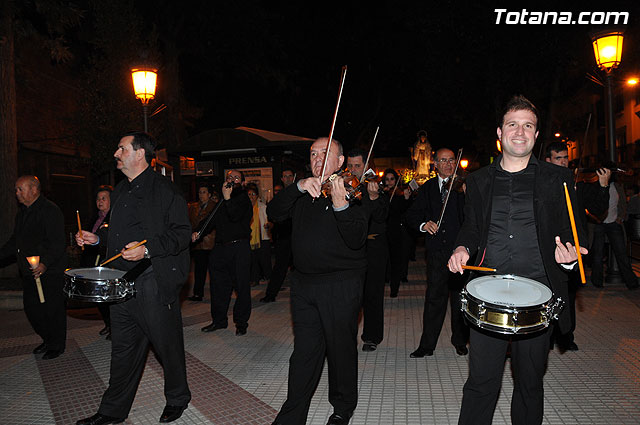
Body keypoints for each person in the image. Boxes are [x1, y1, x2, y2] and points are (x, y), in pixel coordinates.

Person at [448, 95, 587, 425]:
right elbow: (471, 228)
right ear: (500, 132)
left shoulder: (558, 179)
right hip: (487, 295)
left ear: (536, 135)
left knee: (529, 383)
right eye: (513, 124)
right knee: (481, 383)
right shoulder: (479, 181)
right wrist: (461, 249)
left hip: (538, 297)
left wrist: (569, 258)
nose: (520, 132)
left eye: (528, 126)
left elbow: (577, 234)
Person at [75, 131, 191, 424]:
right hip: (120, 283)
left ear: (140, 154)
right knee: (123, 351)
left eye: (122, 148)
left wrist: (147, 249)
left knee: (167, 346)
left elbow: (181, 235)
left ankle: (178, 398)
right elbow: (116, 234)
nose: (116, 153)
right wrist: (95, 239)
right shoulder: (121, 191)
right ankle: (112, 410)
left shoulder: (166, 190)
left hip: (153, 281)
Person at [268, 137, 368, 425]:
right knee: (304, 353)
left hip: (341, 284)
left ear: (340, 162)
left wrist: (341, 207)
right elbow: (274, 213)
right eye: (313, 154)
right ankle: (292, 414)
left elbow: (357, 238)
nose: (318, 158)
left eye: (326, 154)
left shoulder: (352, 189)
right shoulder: (302, 190)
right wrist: (297, 187)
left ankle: (342, 407)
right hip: (303, 286)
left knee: (340, 350)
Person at [544, 141, 611, 351]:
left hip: (571, 248)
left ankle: (565, 335)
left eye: (566, 158)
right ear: (548, 160)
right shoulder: (541, 183)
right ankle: (544, 336)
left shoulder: (578, 185)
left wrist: (603, 186)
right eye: (558, 158)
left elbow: (599, 209)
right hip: (547, 245)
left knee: (568, 292)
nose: (563, 162)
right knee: (545, 292)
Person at [406, 148, 469, 358]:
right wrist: (425, 225)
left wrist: (468, 194)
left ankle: (460, 340)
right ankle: (427, 344)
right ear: (435, 164)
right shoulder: (428, 188)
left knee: (460, 299)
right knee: (434, 298)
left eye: (452, 160)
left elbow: (472, 217)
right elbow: (412, 216)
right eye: (444, 160)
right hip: (436, 253)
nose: (449, 164)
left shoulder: (461, 187)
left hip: (458, 252)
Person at [0, 175, 67, 360]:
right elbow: (16, 242)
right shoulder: (22, 213)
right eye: (16, 189)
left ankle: (57, 345)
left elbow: (57, 242)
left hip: (49, 272)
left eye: (20, 189)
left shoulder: (50, 210)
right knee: (33, 310)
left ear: (34, 190)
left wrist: (45, 263)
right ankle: (47, 339)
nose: (17, 193)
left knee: (52, 310)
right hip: (29, 272)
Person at [346, 148, 389, 352]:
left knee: (372, 295)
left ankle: (372, 336)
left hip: (373, 249)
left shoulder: (375, 187)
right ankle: (346, 336)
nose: (353, 170)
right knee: (350, 296)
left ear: (366, 167)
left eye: (358, 166)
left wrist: (372, 198)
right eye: (350, 166)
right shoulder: (345, 187)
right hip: (351, 249)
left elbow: (381, 217)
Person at [200, 169, 253, 335]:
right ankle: (219, 321)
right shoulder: (222, 201)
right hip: (220, 249)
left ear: (242, 183)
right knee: (218, 287)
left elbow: (235, 217)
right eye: (229, 177)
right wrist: (198, 231)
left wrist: (228, 198)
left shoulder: (244, 199)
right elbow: (210, 220)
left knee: (241, 287)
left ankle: (241, 323)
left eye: (236, 178)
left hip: (239, 248)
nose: (232, 180)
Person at [590, 162, 639, 290]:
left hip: (613, 223)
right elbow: (591, 205)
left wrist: (620, 217)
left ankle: (631, 282)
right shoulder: (596, 186)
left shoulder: (617, 186)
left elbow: (622, 204)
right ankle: (597, 281)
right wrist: (595, 219)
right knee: (598, 254)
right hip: (600, 224)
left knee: (621, 253)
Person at [80, 185, 114, 339]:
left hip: (107, 261)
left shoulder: (114, 216)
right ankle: (107, 323)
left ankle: (114, 326)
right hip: (92, 260)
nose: (100, 201)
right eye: (98, 199)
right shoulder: (94, 217)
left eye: (104, 198)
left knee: (108, 296)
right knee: (97, 296)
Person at [262, 168, 296, 302]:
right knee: (280, 266)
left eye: (289, 176)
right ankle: (270, 294)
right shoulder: (280, 196)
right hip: (284, 237)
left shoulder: (300, 193)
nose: (287, 178)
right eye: (285, 176)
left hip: (298, 236)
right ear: (282, 179)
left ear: (293, 177)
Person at [383, 169, 412, 297]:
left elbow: (405, 211)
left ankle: (394, 289)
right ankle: (386, 279)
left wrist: (406, 198)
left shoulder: (400, 194)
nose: (389, 182)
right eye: (387, 179)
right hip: (384, 232)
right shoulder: (382, 193)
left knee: (396, 261)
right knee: (385, 261)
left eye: (392, 179)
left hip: (397, 232)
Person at [188, 184, 217, 301]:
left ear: (209, 195)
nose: (201, 194)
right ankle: (198, 293)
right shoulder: (193, 207)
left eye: (204, 192)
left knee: (214, 271)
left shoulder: (214, 206)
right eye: (200, 192)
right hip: (198, 244)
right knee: (199, 270)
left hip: (210, 242)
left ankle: (216, 293)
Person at [247, 184, 272, 287]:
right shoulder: (244, 208)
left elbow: (269, 220)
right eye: (249, 194)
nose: (251, 196)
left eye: (253, 194)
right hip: (249, 238)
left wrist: (268, 225)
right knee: (252, 260)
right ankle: (254, 279)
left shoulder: (262, 207)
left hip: (262, 237)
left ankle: (269, 277)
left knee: (264, 259)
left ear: (257, 196)